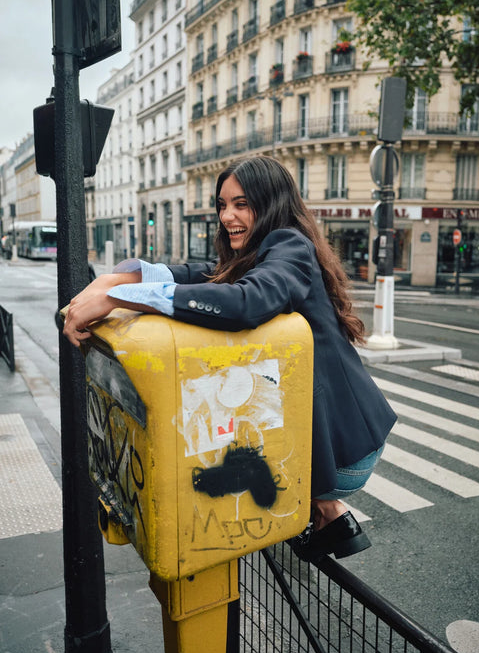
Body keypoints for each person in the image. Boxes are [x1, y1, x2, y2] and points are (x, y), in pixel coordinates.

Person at [64, 155, 396, 561]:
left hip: (344, 455)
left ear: (270, 203)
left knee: (220, 464)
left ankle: (320, 505)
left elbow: (245, 303)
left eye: (241, 204)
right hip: (349, 441)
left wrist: (118, 298)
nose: (227, 215)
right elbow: (202, 273)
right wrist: (125, 276)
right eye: (223, 205)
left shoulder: (289, 243)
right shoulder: (260, 253)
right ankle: (331, 517)